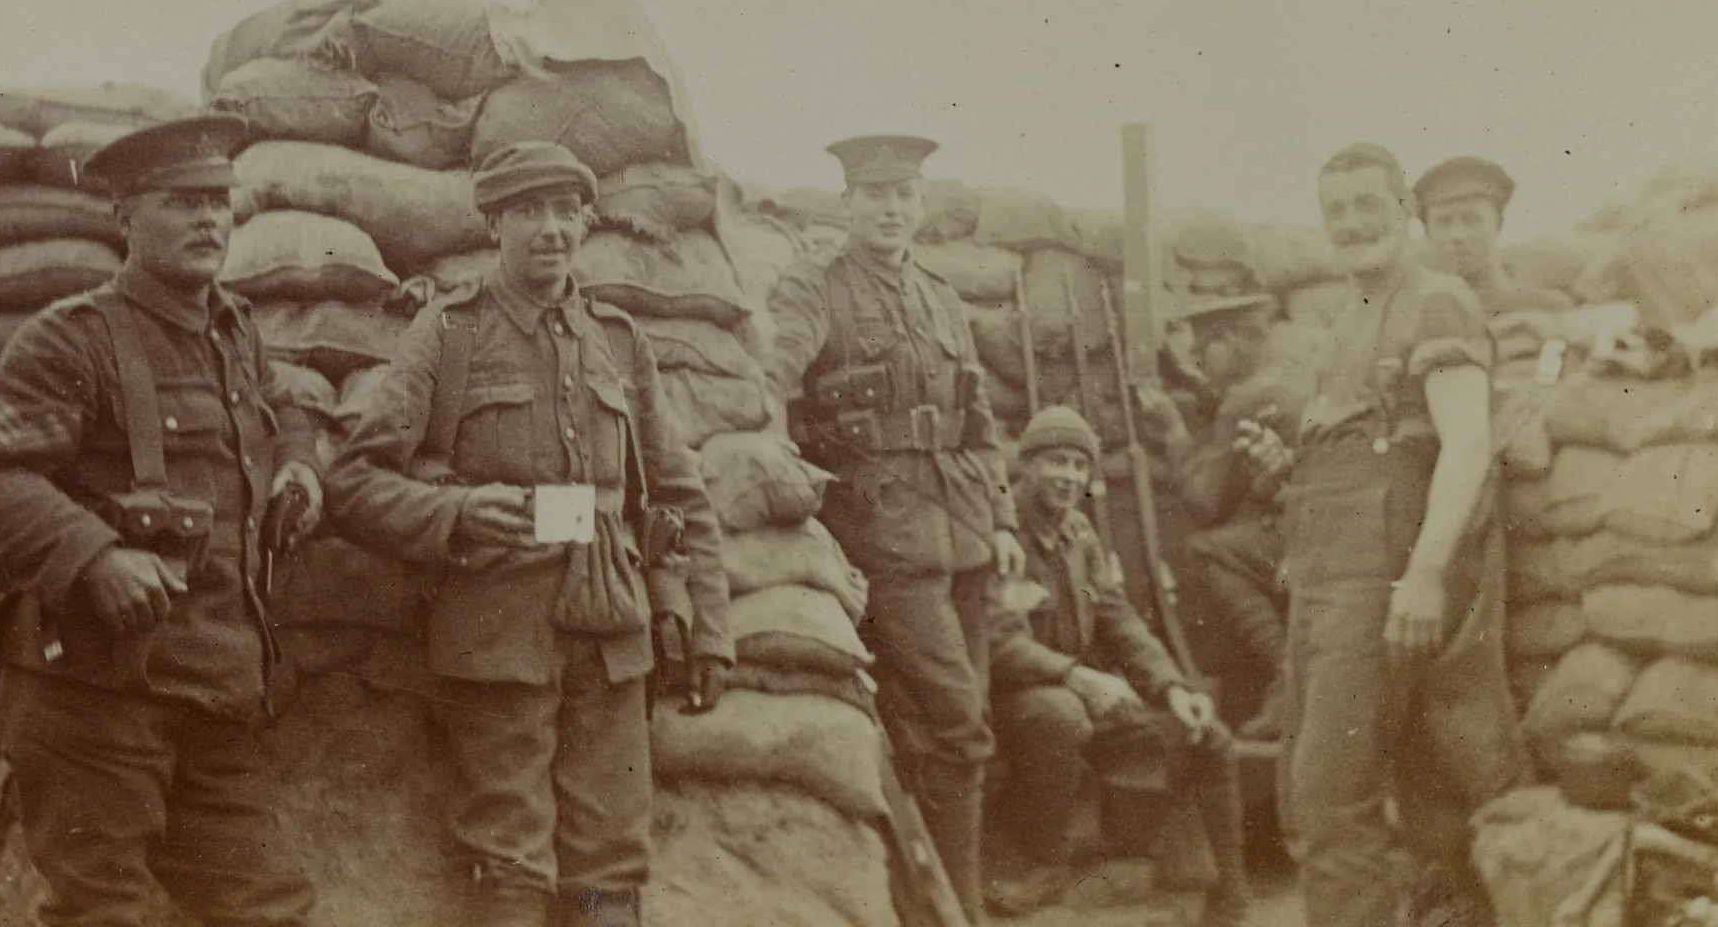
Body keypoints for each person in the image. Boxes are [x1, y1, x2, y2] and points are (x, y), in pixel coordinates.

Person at [324, 141, 733, 927]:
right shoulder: (449, 334)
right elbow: (354, 481)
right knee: (510, 856)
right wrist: (456, 515)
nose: (550, 229)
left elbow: (678, 491)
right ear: (493, 225)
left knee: (612, 866)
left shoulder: (618, 340)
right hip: (498, 631)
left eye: (565, 211)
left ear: (586, 222)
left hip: (613, 635)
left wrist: (706, 624)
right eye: (527, 211)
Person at [0, 114, 322, 927]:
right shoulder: (70, 339)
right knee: (103, 910)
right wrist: (94, 558)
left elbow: (283, 411)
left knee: (270, 906)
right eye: (181, 202)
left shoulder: (234, 329)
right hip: (92, 695)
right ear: (125, 217)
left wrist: (298, 465)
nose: (208, 220)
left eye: (218, 202)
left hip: (214, 688)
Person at [1240, 143, 1532, 927]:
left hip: (1382, 578)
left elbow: (1467, 445)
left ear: (1404, 210)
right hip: (1326, 579)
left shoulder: (1435, 301)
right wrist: (1285, 471)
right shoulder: (1347, 321)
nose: (1352, 224)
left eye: (1369, 205)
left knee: (1333, 800)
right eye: (1336, 210)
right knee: (1327, 789)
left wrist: (1427, 575)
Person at [766, 134, 1024, 923]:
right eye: (874, 196)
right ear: (848, 205)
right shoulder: (814, 288)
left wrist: (1004, 517)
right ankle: (959, 911)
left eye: (904, 195)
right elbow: (770, 379)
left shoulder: (941, 295)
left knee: (954, 728)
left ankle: (939, 901)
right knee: (960, 729)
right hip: (882, 539)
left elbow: (979, 419)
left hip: (965, 533)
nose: (890, 210)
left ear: (921, 204)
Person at [984, 406, 1252, 926]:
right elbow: (998, 644)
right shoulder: (1003, 533)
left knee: (1207, 733)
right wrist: (1076, 675)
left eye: (1079, 467)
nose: (1069, 476)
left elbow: (1119, 621)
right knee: (1058, 713)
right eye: (1055, 462)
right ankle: (1046, 864)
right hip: (1013, 699)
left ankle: (1232, 895)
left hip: (1080, 691)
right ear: (1027, 466)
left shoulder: (1080, 533)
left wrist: (1173, 687)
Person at [1135, 293, 1309, 741]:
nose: (1195, 358)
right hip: (1312, 531)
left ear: (1233, 342)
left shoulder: (1248, 397)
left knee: (1208, 550)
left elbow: (1204, 500)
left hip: (1301, 540)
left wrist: (1174, 433)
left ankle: (1285, 666)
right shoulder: (1285, 379)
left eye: (1205, 346)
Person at [1414, 155, 1573, 316]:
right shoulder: (1416, 315)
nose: (1457, 235)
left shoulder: (1542, 307)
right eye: (1443, 222)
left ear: (1498, 224)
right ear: (1427, 232)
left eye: (1471, 220)